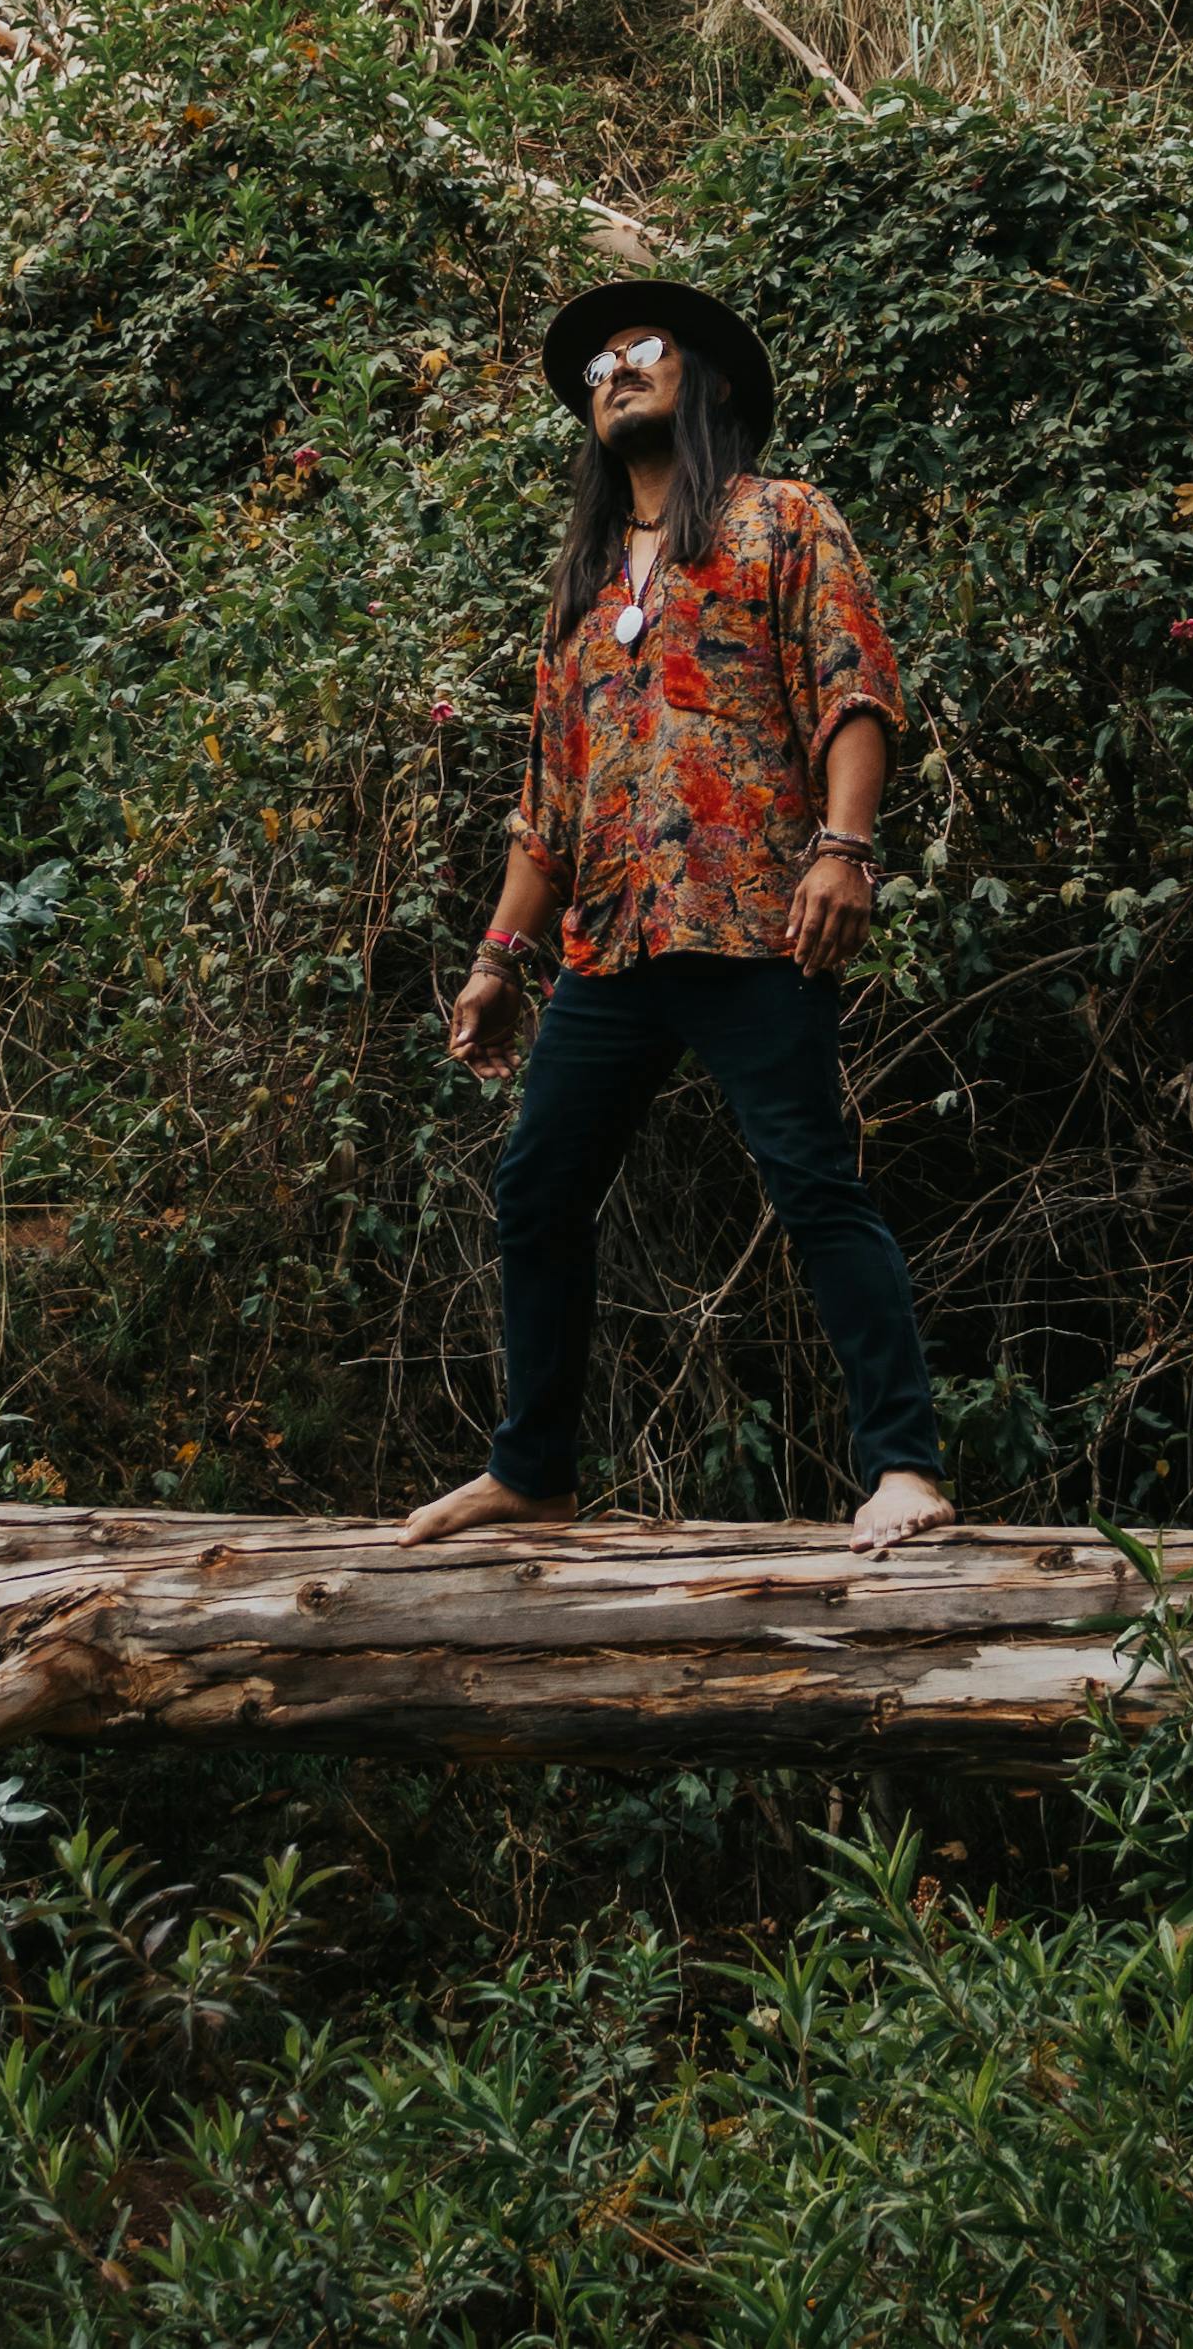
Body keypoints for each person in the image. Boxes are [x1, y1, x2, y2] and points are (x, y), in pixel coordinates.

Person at [400, 279, 955, 1556]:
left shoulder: (784, 520)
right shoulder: (585, 584)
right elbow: (550, 794)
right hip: (611, 941)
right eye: (597, 362)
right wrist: (497, 956)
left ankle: (904, 1467)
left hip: (754, 916)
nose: (613, 369)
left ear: (703, 379)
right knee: (536, 1188)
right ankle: (533, 1471)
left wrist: (845, 847)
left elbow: (852, 687)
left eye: (640, 349)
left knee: (813, 1180)